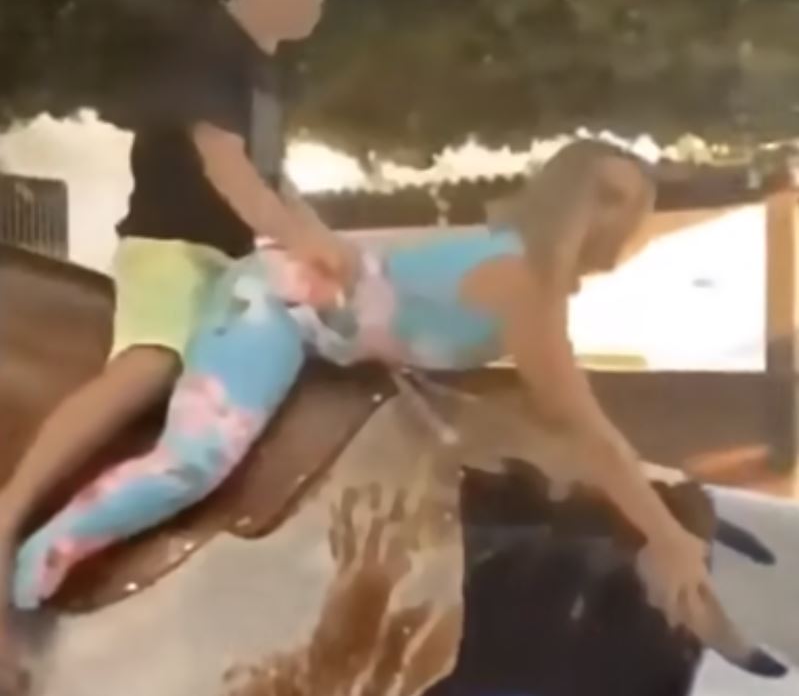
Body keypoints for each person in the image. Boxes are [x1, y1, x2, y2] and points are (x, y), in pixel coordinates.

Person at [10, 140, 713, 652]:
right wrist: (666, 535)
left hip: (331, 341)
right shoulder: (519, 284)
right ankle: (29, 570)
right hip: (274, 304)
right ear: (563, 197)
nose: (617, 218)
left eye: (633, 205)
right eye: (605, 196)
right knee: (193, 462)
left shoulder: (526, 281)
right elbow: (589, 432)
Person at [0, 0, 350, 690]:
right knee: (154, 363)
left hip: (231, 263)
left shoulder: (259, 68)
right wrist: (298, 240)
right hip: (172, 252)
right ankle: (11, 509)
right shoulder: (208, 48)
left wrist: (327, 245)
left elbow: (273, 180)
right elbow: (227, 168)